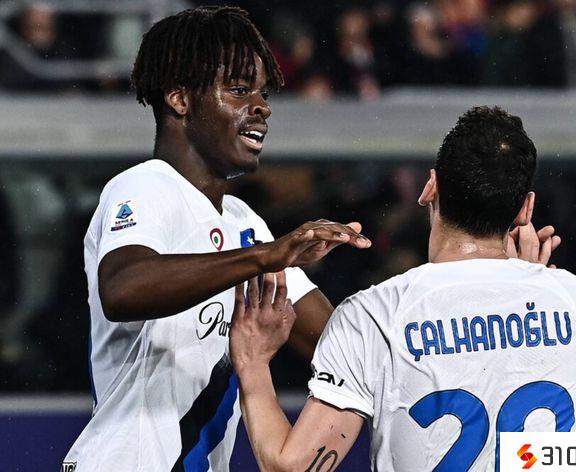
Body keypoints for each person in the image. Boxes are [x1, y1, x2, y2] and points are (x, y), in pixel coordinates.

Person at [62, 7, 374, 471]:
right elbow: (123, 288)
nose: (262, 106)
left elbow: (334, 346)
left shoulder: (245, 223)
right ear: (179, 98)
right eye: (239, 90)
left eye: (263, 92)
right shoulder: (144, 186)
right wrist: (265, 257)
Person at [230, 106, 576, 472]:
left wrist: (252, 362)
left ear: (430, 188)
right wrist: (532, 293)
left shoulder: (373, 314)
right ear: (525, 208)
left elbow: (291, 467)